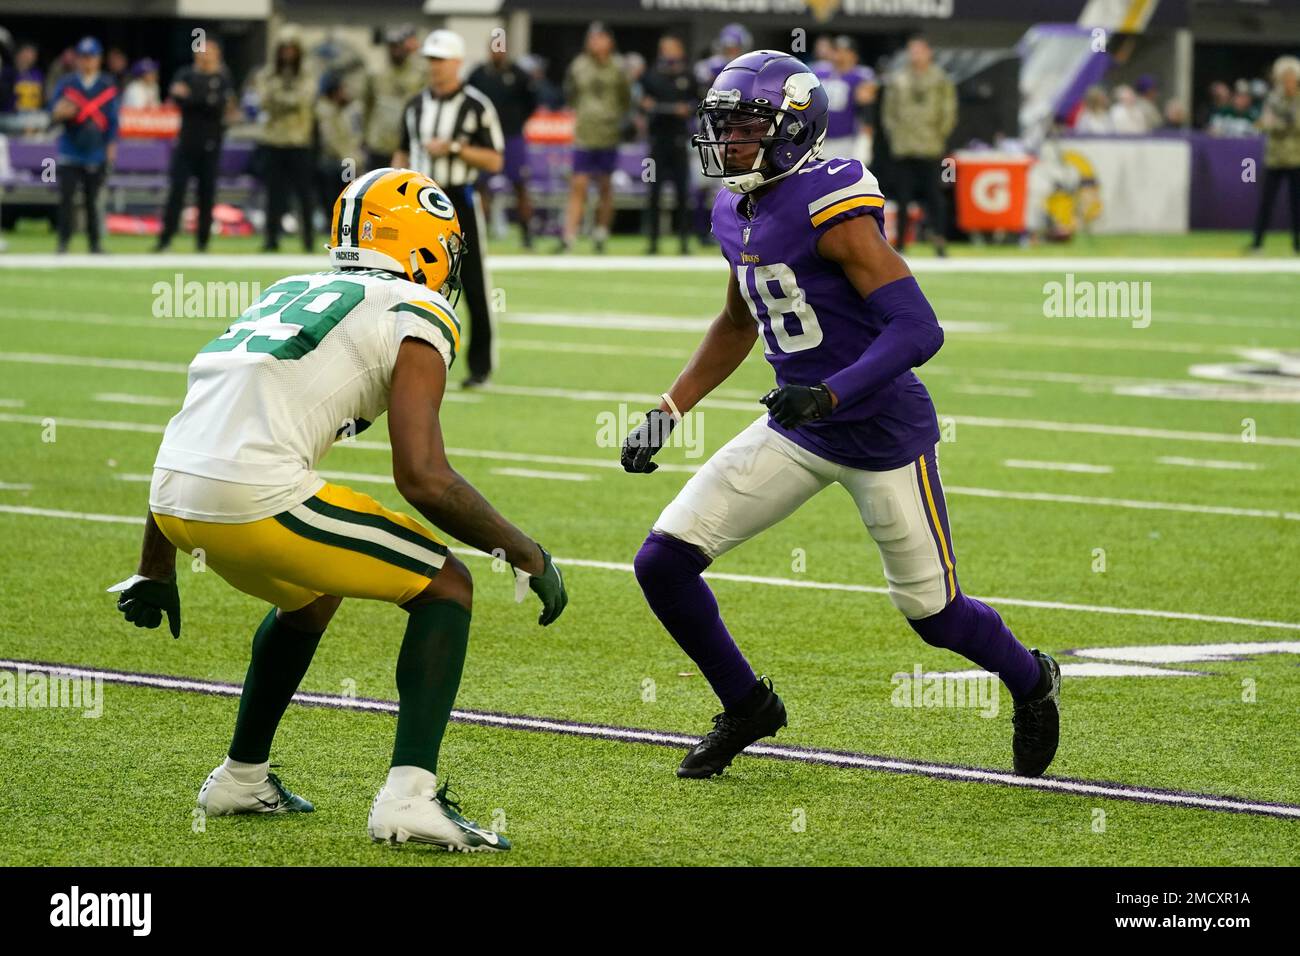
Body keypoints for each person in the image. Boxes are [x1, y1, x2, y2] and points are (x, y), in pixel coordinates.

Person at [624, 51, 1060, 781]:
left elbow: (920, 329)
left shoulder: (833, 205)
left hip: (881, 433)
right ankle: (748, 705)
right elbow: (738, 321)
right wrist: (670, 407)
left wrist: (830, 392)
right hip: (797, 426)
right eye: (723, 127)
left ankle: (1031, 678)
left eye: (745, 127)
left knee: (935, 615)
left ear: (794, 128)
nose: (728, 142)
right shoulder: (735, 206)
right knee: (662, 563)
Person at [109, 167, 567, 852]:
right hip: (249, 493)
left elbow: (195, 422)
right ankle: (408, 800)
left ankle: (241, 778)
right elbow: (423, 477)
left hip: (173, 495)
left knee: (312, 596)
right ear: (422, 242)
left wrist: (156, 565)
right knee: (446, 584)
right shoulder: (417, 308)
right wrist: (525, 552)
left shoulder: (288, 290)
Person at [393, 29, 504, 389]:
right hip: (417, 200)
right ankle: (399, 360)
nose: (435, 67)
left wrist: (455, 148)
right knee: (407, 282)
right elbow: (402, 153)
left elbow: (495, 160)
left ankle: (480, 366)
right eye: (430, 60)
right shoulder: (414, 106)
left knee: (473, 283)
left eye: (440, 60)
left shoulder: (476, 106)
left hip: (458, 198)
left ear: (457, 63)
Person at [155, 38, 237, 253]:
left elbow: (221, 105)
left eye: (210, 52)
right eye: (202, 52)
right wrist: (202, 99)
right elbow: (177, 97)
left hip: (211, 143)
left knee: (207, 193)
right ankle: (165, 239)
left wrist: (193, 97)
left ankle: (203, 242)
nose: (205, 56)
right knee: (177, 191)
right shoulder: (186, 74)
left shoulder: (222, 78)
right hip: (186, 142)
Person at [558, 23, 630, 254]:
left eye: (601, 38)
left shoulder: (619, 67)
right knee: (578, 184)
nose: (596, 43)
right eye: (593, 39)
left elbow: (625, 98)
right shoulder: (579, 66)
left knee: (606, 186)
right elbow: (570, 95)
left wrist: (615, 118)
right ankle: (569, 236)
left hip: (609, 134)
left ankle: (601, 232)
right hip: (585, 134)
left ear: (610, 41)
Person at [882, 35, 955, 256]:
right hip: (904, 146)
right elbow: (889, 112)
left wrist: (939, 135)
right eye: (912, 51)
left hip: (930, 145)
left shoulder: (940, 78)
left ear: (928, 53)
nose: (915, 56)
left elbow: (948, 110)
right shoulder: (899, 78)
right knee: (903, 197)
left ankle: (939, 240)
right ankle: (902, 243)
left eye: (919, 51)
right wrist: (895, 136)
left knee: (935, 196)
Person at [49, 36, 118, 254]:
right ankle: (63, 242)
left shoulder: (106, 84)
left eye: (92, 57)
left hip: (95, 151)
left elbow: (113, 120)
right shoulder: (68, 83)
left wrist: (111, 147)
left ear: (98, 59)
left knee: (93, 201)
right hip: (70, 149)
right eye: (84, 57)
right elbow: (53, 111)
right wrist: (60, 113)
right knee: (67, 199)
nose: (87, 62)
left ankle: (95, 243)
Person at [467, 37, 538, 247]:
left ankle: (527, 234)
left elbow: (531, 103)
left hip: (512, 137)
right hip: (485, 140)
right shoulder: (478, 75)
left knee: (520, 186)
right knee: (480, 187)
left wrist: (516, 121)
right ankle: (480, 234)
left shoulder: (518, 75)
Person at [254, 33, 317, 252]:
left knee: (304, 194)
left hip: (299, 140)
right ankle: (271, 239)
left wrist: (279, 98)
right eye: (284, 49)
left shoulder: (307, 74)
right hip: (274, 140)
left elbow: (304, 99)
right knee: (273, 194)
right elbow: (263, 101)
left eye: (292, 49)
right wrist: (285, 99)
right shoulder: (268, 74)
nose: (288, 54)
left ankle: (308, 240)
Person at [640, 34, 695, 255]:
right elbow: (644, 104)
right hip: (657, 142)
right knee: (654, 191)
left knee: (683, 193)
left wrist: (673, 108)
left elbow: (696, 103)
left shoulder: (688, 76)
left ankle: (684, 241)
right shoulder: (651, 76)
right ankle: (652, 241)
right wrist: (672, 109)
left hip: (679, 141)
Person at [1249, 56, 1300, 254]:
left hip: (1296, 157)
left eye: (1291, 77)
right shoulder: (1273, 98)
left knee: (1297, 205)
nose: (1288, 81)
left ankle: (1297, 243)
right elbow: (1266, 124)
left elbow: (1295, 125)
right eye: (1285, 77)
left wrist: (1282, 124)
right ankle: (1257, 243)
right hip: (1275, 157)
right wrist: (1282, 124)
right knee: (1266, 203)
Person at [362, 25, 424, 173]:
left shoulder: (419, 74)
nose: (395, 50)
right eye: (391, 46)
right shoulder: (376, 73)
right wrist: (365, 135)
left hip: (405, 144)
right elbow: (367, 105)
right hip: (379, 142)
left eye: (398, 46)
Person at [814, 35, 877, 166]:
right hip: (818, 139)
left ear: (853, 55)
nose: (839, 55)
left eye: (844, 51)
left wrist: (866, 136)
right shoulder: (819, 71)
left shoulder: (861, 75)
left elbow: (867, 103)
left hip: (846, 139)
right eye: (836, 50)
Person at [315, 71, 363, 222]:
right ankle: (333, 223)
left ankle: (346, 222)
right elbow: (330, 138)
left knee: (348, 195)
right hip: (332, 160)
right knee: (332, 197)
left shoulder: (351, 109)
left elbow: (356, 135)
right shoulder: (324, 110)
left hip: (348, 161)